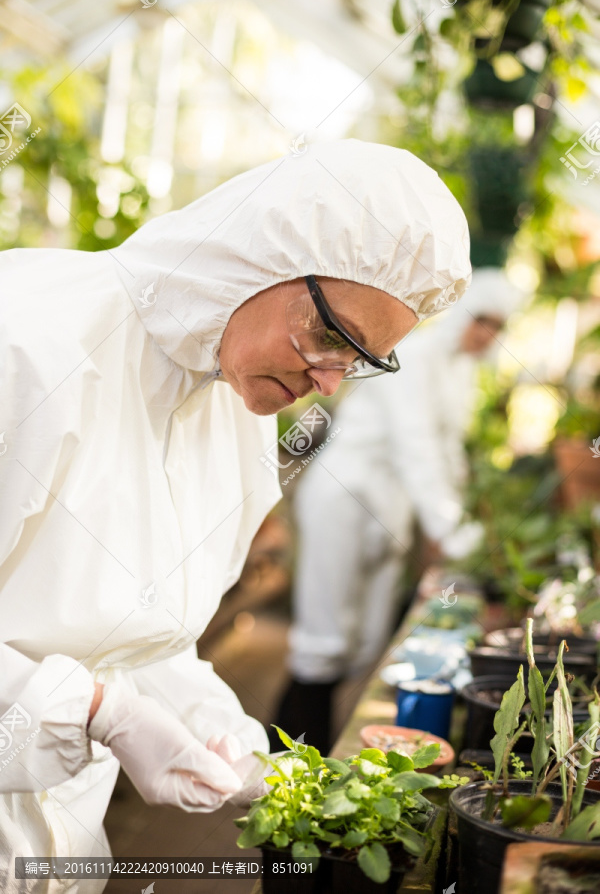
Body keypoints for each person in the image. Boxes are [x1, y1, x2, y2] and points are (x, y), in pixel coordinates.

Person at [0, 138, 470, 892]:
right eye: (329, 337)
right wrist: (93, 710)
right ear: (259, 256)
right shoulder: (27, 341)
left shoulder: (231, 408)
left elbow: (136, 634)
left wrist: (213, 722)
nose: (328, 383)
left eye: (357, 361)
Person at [273, 267, 524, 754]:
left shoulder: (460, 371)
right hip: (344, 499)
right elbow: (418, 450)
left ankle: (322, 752)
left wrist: (466, 518)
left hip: (388, 511)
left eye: (498, 327)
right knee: (321, 642)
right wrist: (456, 536)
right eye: (483, 322)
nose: (488, 336)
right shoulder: (412, 357)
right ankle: (285, 762)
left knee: (364, 644)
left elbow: (448, 452)